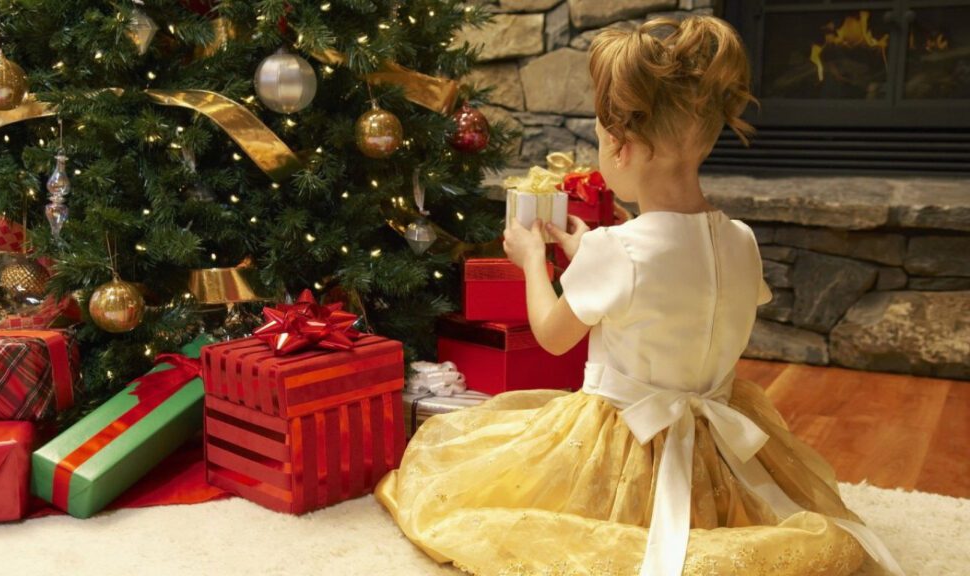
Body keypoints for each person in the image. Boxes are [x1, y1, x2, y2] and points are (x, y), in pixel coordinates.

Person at [375, 15, 904, 576]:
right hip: (716, 442)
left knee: (473, 488)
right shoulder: (740, 240)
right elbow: (675, 292)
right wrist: (592, 254)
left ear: (622, 147)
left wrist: (534, 262)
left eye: (600, 142)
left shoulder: (619, 250)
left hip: (626, 441)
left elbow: (554, 339)